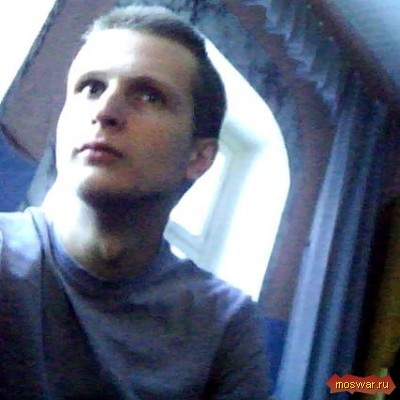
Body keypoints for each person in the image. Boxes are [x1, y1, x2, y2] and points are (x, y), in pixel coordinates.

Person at [0, 4, 268, 399]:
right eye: (91, 87)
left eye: (148, 95)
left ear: (198, 157)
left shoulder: (226, 324)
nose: (105, 111)